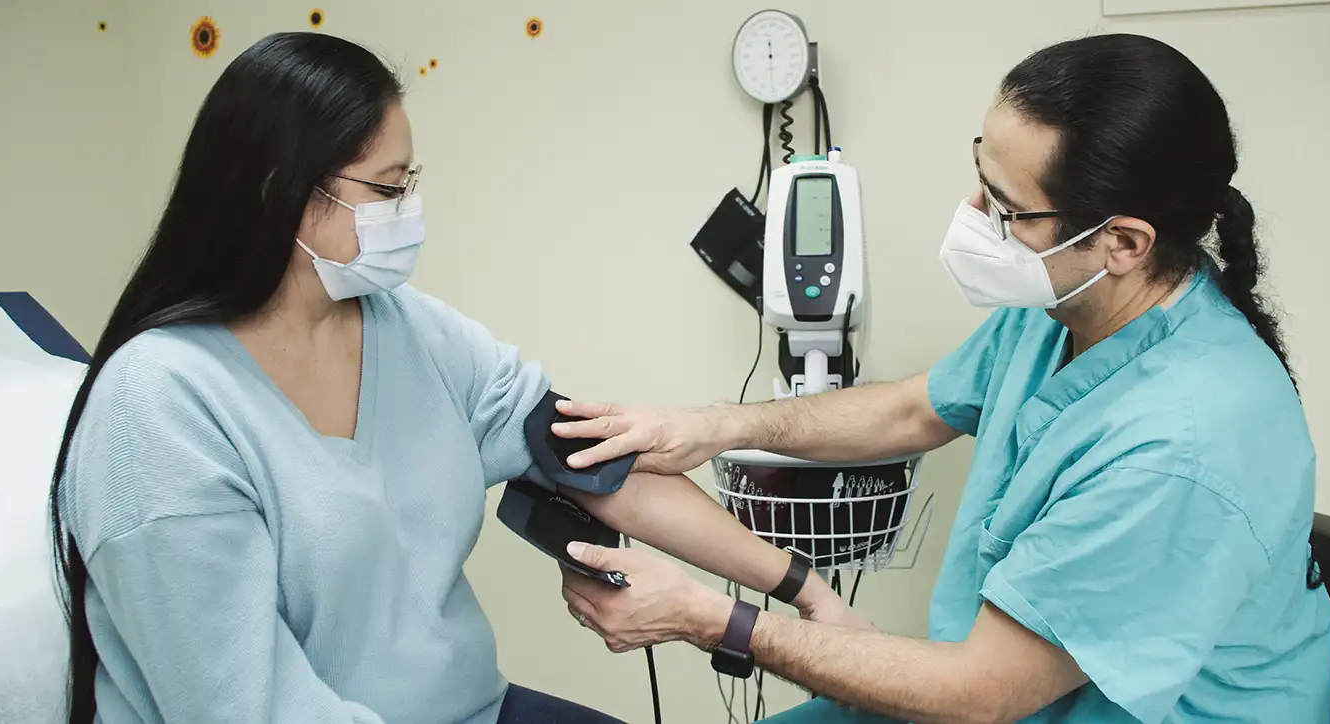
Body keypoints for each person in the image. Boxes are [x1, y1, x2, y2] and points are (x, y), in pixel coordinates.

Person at [48, 32, 860, 724]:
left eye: (412, 182)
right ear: (280, 194)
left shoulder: (411, 332)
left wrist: (804, 589)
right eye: (387, 189)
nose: (409, 210)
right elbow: (245, 705)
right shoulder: (158, 410)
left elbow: (597, 463)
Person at [550, 33, 1330, 724]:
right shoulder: (1071, 305)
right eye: (980, 175)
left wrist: (706, 617)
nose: (971, 214)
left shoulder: (1183, 442)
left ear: (1123, 241)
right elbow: (908, 411)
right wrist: (716, 426)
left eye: (1005, 208)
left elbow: (981, 696)